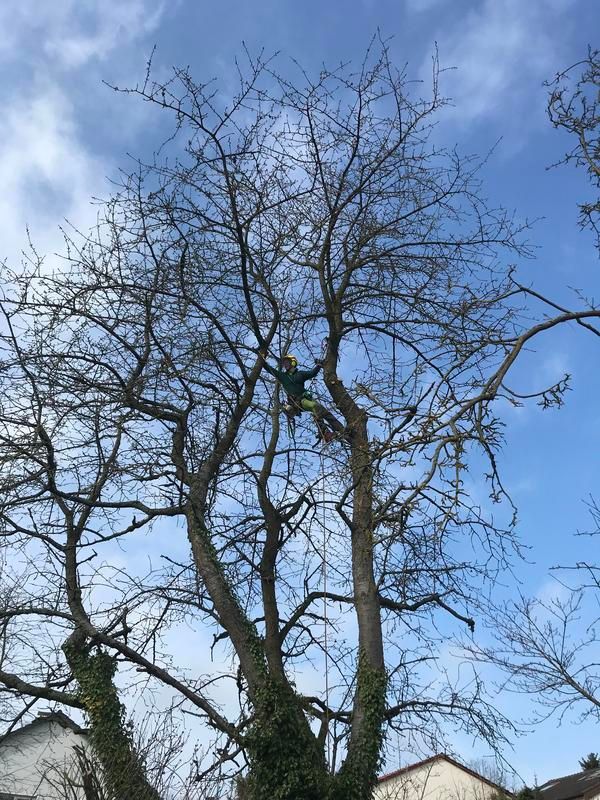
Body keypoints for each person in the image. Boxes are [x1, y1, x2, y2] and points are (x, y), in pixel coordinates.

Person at [259, 352, 346, 442]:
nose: (285, 365)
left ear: (293, 363)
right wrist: (262, 358)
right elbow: (270, 370)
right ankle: (324, 432)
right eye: (284, 363)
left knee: (323, 411)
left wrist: (319, 365)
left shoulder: (300, 374)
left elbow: (312, 373)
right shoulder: (283, 376)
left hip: (305, 398)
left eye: (287, 362)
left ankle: (342, 430)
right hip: (297, 402)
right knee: (314, 406)